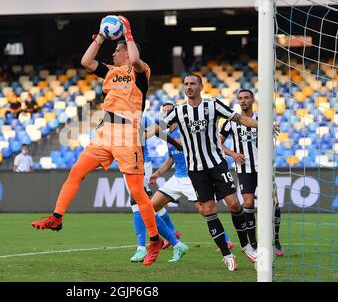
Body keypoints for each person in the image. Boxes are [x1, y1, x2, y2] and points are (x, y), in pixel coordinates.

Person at [31, 16, 165, 266]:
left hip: (127, 135)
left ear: (126, 51)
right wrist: (101, 37)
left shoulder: (139, 71)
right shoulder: (111, 73)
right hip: (105, 132)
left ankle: (155, 240)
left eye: (116, 50)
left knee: (137, 193)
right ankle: (57, 217)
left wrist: (127, 33)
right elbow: (86, 61)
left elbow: (135, 58)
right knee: (76, 172)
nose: (113, 53)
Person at [146, 74, 259, 271]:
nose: (189, 87)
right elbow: (158, 128)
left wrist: (263, 125)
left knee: (234, 204)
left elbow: (240, 119)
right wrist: (136, 135)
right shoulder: (179, 111)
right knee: (208, 210)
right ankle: (227, 254)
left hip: (217, 164)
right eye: (186, 84)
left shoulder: (213, 105)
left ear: (201, 87)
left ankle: (246, 245)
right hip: (196, 170)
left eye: (192, 84)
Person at [220, 89, 284, 256]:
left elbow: (275, 133)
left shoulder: (263, 119)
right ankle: (253, 243)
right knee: (248, 203)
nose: (243, 101)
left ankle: (275, 240)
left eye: (246, 97)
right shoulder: (230, 121)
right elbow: (218, 144)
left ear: (252, 100)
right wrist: (232, 154)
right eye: (240, 98)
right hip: (244, 168)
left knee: (274, 201)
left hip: (263, 167)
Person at [128, 111, 187, 263]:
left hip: (142, 164)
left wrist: (176, 144)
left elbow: (160, 133)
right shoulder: (114, 119)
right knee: (145, 206)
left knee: (138, 203)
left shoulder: (143, 119)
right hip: (126, 165)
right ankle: (175, 242)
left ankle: (142, 247)